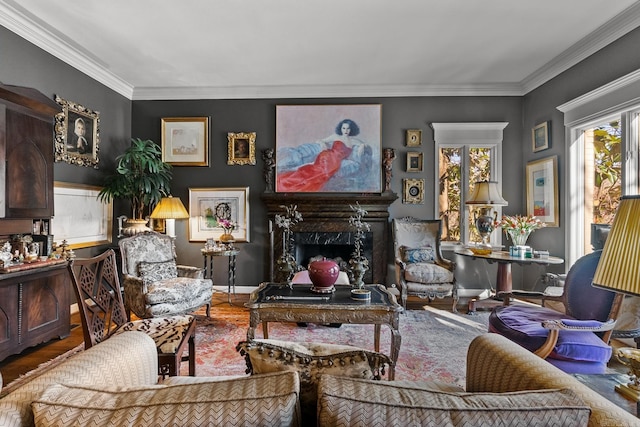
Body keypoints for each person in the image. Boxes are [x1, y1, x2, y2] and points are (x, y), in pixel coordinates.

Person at [277, 119, 372, 192]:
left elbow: (365, 145)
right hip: (327, 156)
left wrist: (362, 146)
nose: (345, 130)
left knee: (323, 174)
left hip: (337, 161)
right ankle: (289, 182)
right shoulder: (336, 136)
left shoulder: (354, 141)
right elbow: (320, 140)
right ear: (341, 128)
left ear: (351, 129)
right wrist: (323, 144)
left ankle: (293, 182)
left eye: (348, 128)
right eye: (344, 128)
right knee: (320, 172)